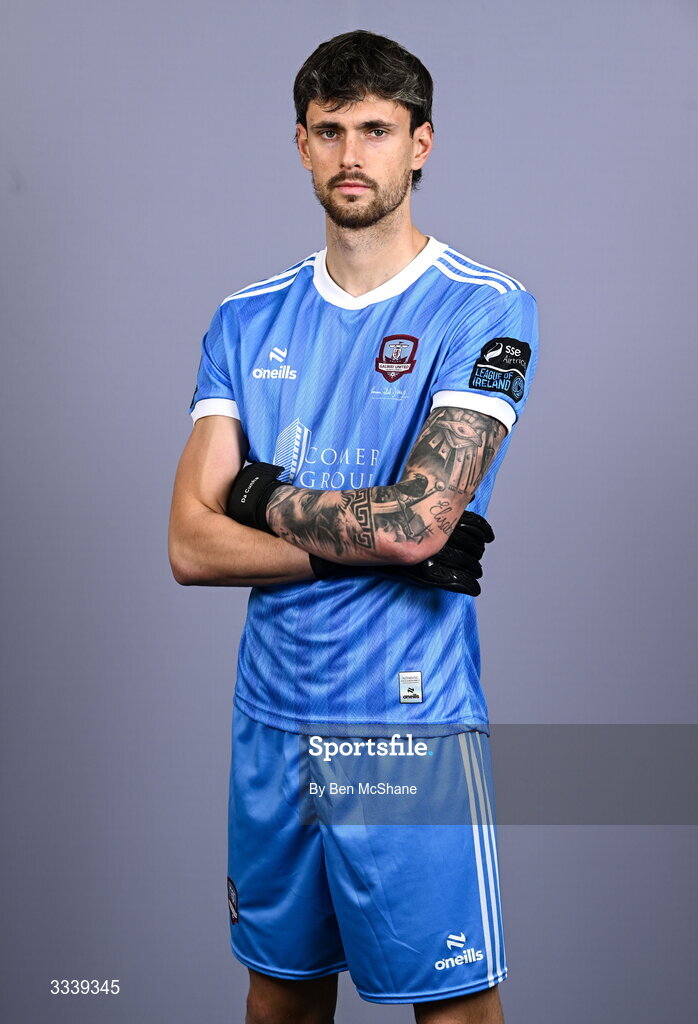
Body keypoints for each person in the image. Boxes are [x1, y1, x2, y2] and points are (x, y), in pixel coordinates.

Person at [168, 29, 539, 1024]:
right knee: (278, 1000)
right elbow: (189, 544)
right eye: (329, 130)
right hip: (272, 719)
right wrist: (365, 544)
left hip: (406, 726)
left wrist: (256, 496)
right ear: (300, 143)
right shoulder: (246, 319)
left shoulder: (484, 308)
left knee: (453, 1009)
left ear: (420, 143)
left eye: (375, 129)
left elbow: (420, 520)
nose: (350, 153)